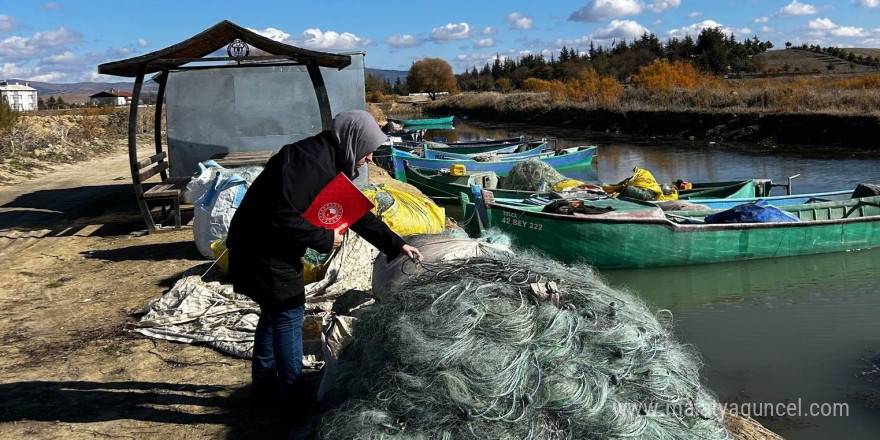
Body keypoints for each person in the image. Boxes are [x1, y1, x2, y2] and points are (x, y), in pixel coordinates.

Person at [225, 110, 422, 410]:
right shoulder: (311, 164)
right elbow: (281, 215)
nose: (370, 158)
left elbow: (354, 213)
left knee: (273, 313)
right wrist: (325, 238)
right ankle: (292, 402)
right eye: (368, 149)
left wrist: (397, 245)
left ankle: (264, 390)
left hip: (264, 246)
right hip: (260, 251)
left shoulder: (327, 158)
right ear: (354, 140)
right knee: (289, 314)